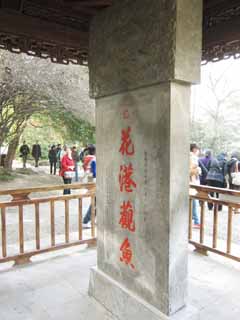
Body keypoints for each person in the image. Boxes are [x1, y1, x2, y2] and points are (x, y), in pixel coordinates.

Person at [83, 155, 96, 227]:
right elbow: (94, 173)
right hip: (97, 183)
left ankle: (89, 219)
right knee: (95, 203)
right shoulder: (94, 160)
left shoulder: (94, 159)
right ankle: (86, 221)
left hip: (98, 183)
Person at [189, 143, 201, 228]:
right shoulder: (192, 157)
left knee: (193, 202)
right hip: (192, 182)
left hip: (192, 182)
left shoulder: (189, 156)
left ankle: (194, 220)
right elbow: (191, 170)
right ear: (194, 149)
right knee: (195, 202)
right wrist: (198, 170)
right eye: (197, 149)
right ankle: (196, 221)